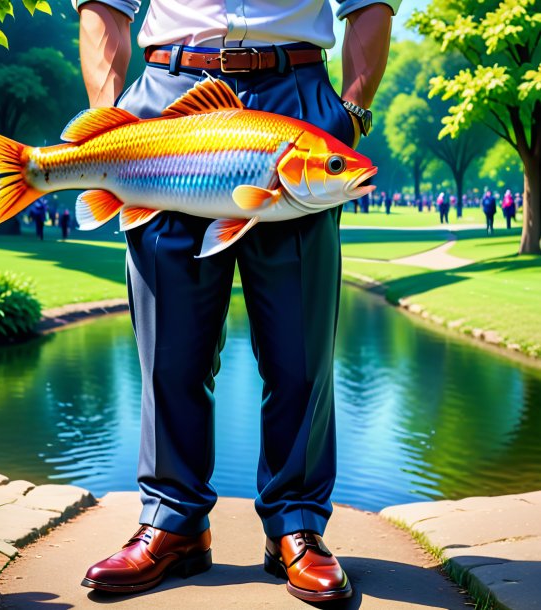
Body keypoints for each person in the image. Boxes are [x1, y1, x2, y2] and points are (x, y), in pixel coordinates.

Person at [75, 0, 400, 603]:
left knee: (300, 353)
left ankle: (297, 524)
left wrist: (350, 112)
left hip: (297, 101)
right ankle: (173, 523)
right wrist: (108, 123)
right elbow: (104, 8)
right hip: (168, 98)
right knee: (168, 348)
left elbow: (370, 5)